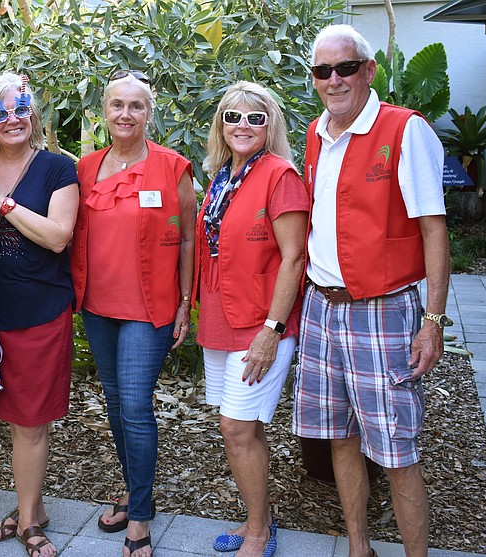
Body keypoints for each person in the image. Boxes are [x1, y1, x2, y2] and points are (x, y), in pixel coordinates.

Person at [293, 24, 449, 557]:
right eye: (323, 70)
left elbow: (434, 230)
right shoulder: (316, 133)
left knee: (397, 451)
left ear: (369, 70)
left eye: (345, 67)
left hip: (383, 311)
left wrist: (433, 322)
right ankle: (360, 548)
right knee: (340, 437)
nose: (334, 80)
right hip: (321, 308)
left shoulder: (405, 129)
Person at [71, 70, 196, 557]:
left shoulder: (173, 167)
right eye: (117, 105)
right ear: (104, 111)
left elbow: (187, 238)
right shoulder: (85, 168)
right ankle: (133, 490)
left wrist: (185, 301)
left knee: (136, 408)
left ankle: (140, 514)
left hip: (149, 307)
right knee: (115, 403)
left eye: (136, 106)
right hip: (98, 306)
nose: (126, 114)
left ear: (149, 113)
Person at [0, 71, 79, 557]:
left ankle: (30, 521)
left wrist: (1, 201)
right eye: (0, 112)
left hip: (40, 313)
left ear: (32, 112)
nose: (12, 119)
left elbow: (58, 236)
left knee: (31, 422)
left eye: (20, 109)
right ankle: (31, 504)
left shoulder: (57, 168)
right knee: (15, 421)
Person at [196, 81, 309, 557]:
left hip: (261, 322)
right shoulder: (223, 174)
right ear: (221, 124)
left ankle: (260, 532)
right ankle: (256, 518)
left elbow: (294, 258)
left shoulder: (279, 175)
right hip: (221, 317)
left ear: (270, 126)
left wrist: (272, 330)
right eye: (233, 116)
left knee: (236, 428)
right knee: (244, 427)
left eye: (255, 118)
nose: (242, 125)